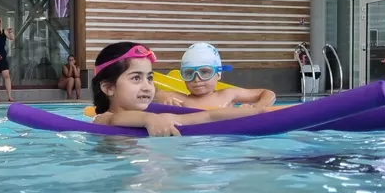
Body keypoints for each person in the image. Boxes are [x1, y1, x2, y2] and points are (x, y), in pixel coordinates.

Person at [92, 41, 264, 137]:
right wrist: (149, 118)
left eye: (150, 78)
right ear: (108, 88)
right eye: (136, 78)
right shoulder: (103, 120)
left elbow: (208, 116)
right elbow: (116, 120)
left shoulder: (159, 118)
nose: (147, 86)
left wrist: (256, 113)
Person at [156, 42, 276, 109]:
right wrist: (162, 96)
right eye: (189, 74)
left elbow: (267, 93)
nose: (197, 79)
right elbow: (155, 93)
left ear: (218, 74)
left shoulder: (228, 94)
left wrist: (258, 107)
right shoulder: (180, 99)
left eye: (205, 72)